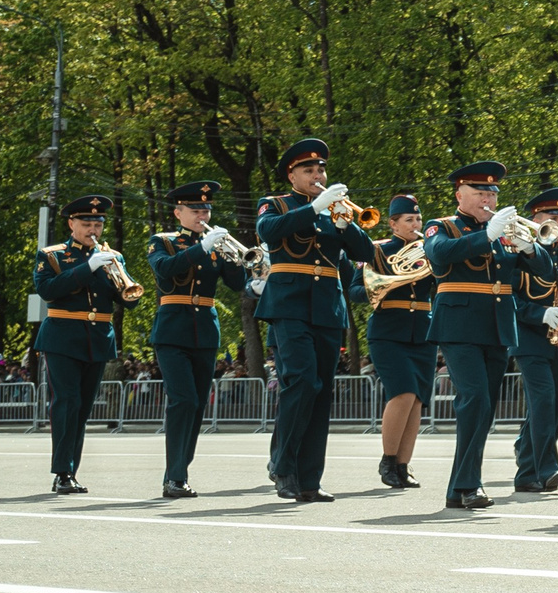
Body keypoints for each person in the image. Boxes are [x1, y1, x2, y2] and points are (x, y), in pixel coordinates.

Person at [255, 139, 378, 502]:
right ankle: (283, 466)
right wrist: (315, 208)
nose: (317, 175)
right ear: (292, 174)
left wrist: (345, 224)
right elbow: (269, 232)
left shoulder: (334, 212)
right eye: (309, 170)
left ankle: (309, 478)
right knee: (302, 383)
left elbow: (366, 253)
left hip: (327, 307)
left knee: (321, 392)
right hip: (289, 304)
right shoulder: (275, 204)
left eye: (321, 169)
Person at [423, 161, 523, 512]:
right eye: (480, 193)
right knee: (475, 400)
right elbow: (440, 254)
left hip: (496, 326)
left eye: (492, 193)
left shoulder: (504, 231)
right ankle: (468, 484)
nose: (487, 199)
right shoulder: (443, 226)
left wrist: (531, 247)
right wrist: (487, 235)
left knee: (484, 409)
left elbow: (539, 270)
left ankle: (459, 488)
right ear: (460, 195)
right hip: (459, 326)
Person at [146, 180, 248, 499]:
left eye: (206, 208)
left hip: (205, 331)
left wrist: (239, 260)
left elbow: (236, 283)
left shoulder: (216, 245)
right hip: (172, 330)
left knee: (198, 405)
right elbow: (165, 271)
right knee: (184, 400)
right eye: (195, 209)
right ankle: (174, 476)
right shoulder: (162, 241)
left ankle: (179, 473)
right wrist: (201, 248)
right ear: (179, 212)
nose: (202, 214)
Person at [34, 194, 130, 494]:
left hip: (98, 338)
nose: (93, 229)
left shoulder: (112, 256)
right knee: (67, 402)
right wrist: (87, 268)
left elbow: (127, 300)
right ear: (71, 223)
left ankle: (71, 470)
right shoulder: (52, 255)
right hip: (62, 336)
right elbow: (48, 290)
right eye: (86, 223)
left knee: (83, 407)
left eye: (98, 224)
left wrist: (125, 285)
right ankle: (62, 472)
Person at [509, 187, 558, 495]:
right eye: (552, 217)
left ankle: (527, 468)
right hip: (530, 339)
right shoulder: (519, 253)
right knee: (543, 403)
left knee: (554, 408)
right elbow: (509, 299)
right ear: (535, 220)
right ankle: (546, 468)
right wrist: (539, 313)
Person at [365, 195, 437, 492]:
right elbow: (359, 289)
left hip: (422, 329)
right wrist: (386, 284)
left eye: (418, 219)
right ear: (393, 223)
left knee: (418, 398)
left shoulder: (430, 250)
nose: (415, 224)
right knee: (403, 392)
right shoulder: (378, 250)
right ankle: (388, 460)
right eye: (409, 220)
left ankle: (403, 465)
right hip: (388, 330)